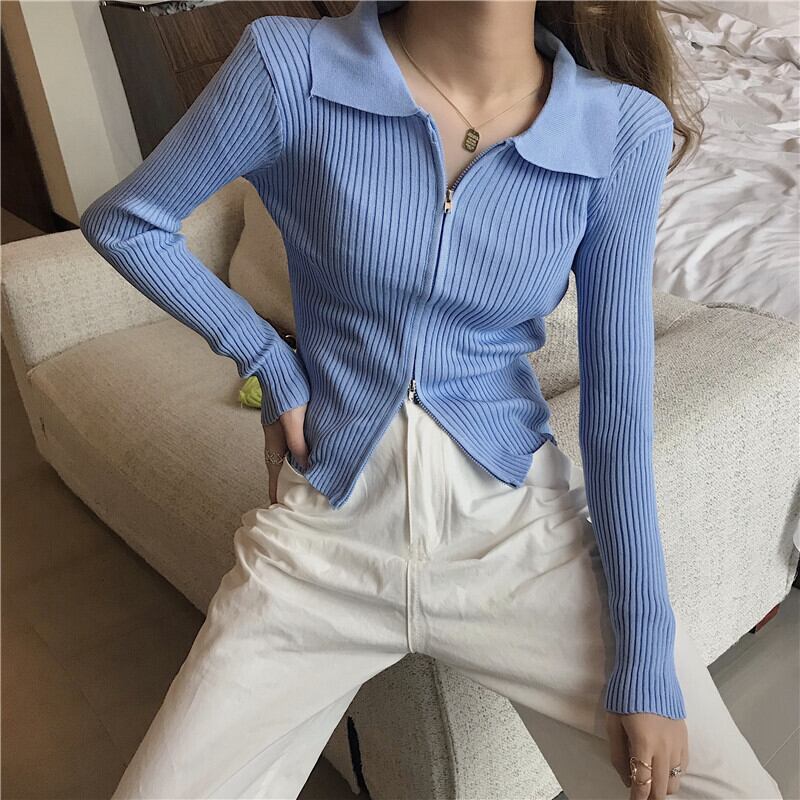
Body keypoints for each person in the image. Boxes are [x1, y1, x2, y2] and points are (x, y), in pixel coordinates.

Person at [79, 1, 784, 798]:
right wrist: (268, 360)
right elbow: (128, 221)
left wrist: (646, 657)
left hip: (518, 535)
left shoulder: (621, 128)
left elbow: (619, 420)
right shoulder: (292, 68)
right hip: (326, 539)